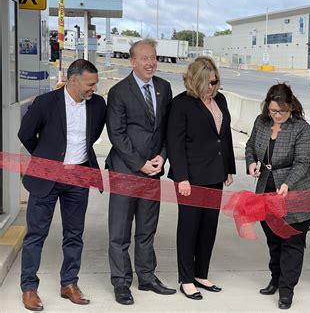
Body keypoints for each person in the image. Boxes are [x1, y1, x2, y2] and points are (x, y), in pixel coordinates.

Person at [18, 59, 106, 311]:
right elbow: (25, 134)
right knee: (36, 234)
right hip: (47, 178)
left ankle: (69, 284)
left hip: (78, 177)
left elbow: (94, 134)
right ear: (73, 80)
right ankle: (29, 288)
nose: (94, 89)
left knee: (74, 234)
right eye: (90, 84)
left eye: (95, 84)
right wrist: (45, 159)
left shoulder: (98, 105)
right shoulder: (46, 103)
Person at [106, 39, 175, 305]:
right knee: (120, 232)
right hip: (125, 170)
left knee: (147, 229)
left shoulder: (163, 88)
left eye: (154, 57)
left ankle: (146, 277)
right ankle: (121, 282)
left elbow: (167, 129)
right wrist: (140, 163)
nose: (151, 63)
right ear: (132, 61)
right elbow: (117, 134)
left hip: (153, 171)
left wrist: (162, 156)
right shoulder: (119, 91)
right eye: (144, 58)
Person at [167, 56, 236, 300]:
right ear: (196, 81)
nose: (212, 87)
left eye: (215, 82)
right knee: (189, 228)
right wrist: (182, 178)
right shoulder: (181, 104)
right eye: (208, 83)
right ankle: (186, 279)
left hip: (215, 174)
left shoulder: (220, 100)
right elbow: (175, 144)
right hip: (191, 178)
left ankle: (200, 273)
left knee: (209, 227)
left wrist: (228, 167)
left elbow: (224, 136)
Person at [245, 83, 310, 310]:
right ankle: (275, 279)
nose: (278, 116)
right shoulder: (261, 122)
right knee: (273, 239)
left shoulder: (301, 128)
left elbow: (303, 162)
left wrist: (287, 183)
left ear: (291, 107)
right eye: (274, 111)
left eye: (283, 112)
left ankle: (287, 290)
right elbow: (249, 147)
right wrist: (252, 163)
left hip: (295, 192)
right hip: (267, 190)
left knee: (292, 242)